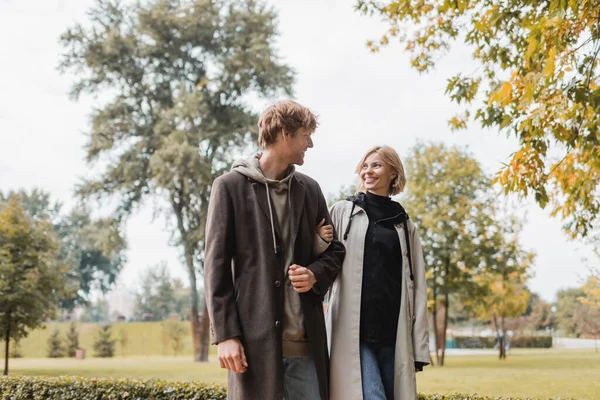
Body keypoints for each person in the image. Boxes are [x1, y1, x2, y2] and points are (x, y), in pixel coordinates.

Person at [204, 100, 345, 400]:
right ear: (283, 132)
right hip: (254, 347)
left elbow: (335, 252)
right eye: (306, 134)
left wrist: (314, 274)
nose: (310, 143)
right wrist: (226, 335)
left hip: (306, 347)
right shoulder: (228, 187)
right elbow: (215, 269)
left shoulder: (310, 189)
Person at [325, 145, 429, 400]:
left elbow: (418, 288)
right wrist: (319, 239)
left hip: (393, 331)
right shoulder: (343, 211)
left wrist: (419, 349)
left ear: (393, 173)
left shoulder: (404, 224)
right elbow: (322, 259)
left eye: (377, 165)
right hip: (353, 328)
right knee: (373, 396)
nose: (368, 171)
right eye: (365, 165)